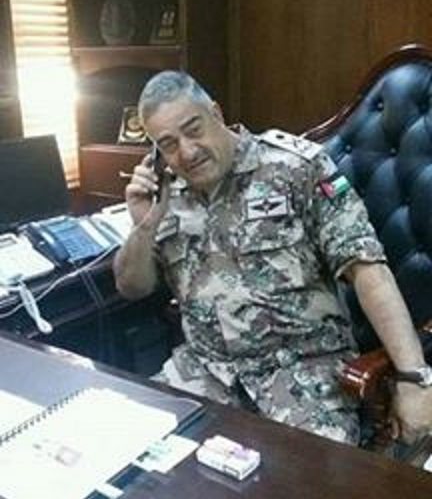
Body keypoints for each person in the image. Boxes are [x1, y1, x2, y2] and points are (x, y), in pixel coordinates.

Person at [114, 69, 432, 446]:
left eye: (193, 129)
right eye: (168, 144)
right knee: (131, 449)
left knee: (310, 473)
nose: (187, 151)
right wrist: (144, 226)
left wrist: (415, 379)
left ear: (215, 113)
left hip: (303, 375)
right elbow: (133, 288)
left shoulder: (296, 168)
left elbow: (369, 273)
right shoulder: (165, 195)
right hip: (205, 371)